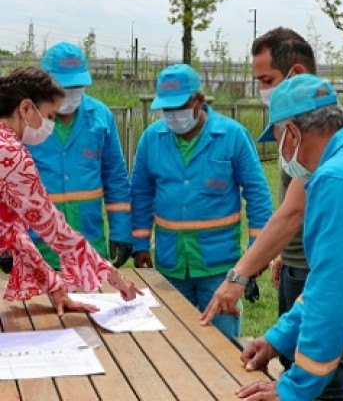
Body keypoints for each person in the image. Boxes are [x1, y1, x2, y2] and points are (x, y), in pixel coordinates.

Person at [201, 27, 343, 400]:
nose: (262, 90)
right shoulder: (307, 132)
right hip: (302, 262)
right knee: (295, 359)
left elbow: (293, 212)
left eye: (266, 80)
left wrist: (239, 274)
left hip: (324, 269)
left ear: (297, 75)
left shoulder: (330, 146)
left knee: (323, 374)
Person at [236, 73, 343, 401]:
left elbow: (332, 297)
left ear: (293, 133)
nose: (283, 156)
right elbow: (328, 282)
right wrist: (276, 341)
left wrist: (293, 389)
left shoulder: (338, 180)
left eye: (279, 140)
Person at [130, 63, 272, 339]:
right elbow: (141, 193)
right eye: (166, 109)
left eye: (178, 107)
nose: (172, 116)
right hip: (170, 264)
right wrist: (139, 243)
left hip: (219, 266)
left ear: (199, 100)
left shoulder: (232, 136)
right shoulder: (152, 139)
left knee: (223, 344)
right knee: (170, 343)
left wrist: (257, 251)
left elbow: (257, 193)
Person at [0, 66, 141, 315]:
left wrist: (55, 288)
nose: (51, 126)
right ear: (24, 108)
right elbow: (55, 231)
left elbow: (14, 233)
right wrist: (116, 279)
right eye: (49, 116)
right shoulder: (12, 155)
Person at [25, 42, 132, 270]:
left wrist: (121, 230)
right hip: (36, 252)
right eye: (63, 87)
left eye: (76, 87)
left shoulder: (101, 117)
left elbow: (116, 178)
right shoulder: (21, 120)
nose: (69, 95)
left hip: (90, 249)